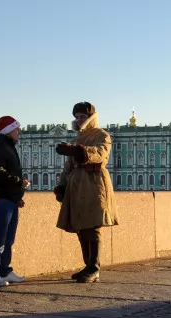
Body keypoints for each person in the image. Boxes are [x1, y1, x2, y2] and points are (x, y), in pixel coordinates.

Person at [54, 102, 119, 283]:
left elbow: (100, 153)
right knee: (81, 227)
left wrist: (78, 151)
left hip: (94, 185)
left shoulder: (102, 135)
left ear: (91, 117)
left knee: (93, 227)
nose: (79, 119)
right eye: (77, 117)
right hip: (76, 187)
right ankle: (87, 265)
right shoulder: (78, 138)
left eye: (82, 116)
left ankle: (94, 268)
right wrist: (61, 185)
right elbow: (68, 166)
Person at [0, 116, 30, 288]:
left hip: (10, 199)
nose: (19, 132)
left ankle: (5, 271)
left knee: (8, 239)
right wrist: (18, 181)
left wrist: (18, 196)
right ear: (8, 130)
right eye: (17, 129)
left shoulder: (8, 147)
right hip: (2, 199)